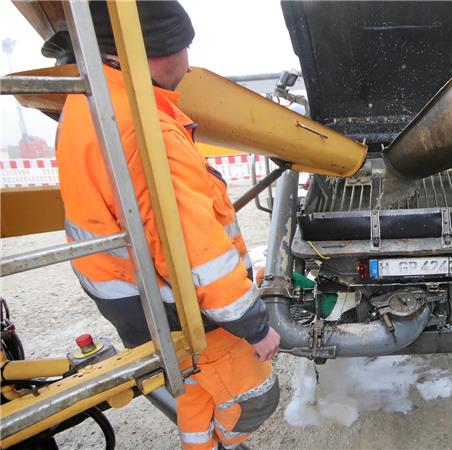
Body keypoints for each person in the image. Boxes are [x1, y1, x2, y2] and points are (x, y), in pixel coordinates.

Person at [55, 2, 280, 448]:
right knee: (253, 398)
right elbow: (201, 256)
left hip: (130, 298)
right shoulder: (148, 130)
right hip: (179, 307)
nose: (189, 62)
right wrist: (254, 325)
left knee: (194, 389)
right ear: (152, 52)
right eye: (185, 48)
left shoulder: (86, 106)